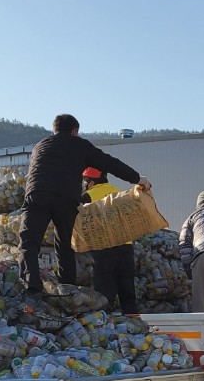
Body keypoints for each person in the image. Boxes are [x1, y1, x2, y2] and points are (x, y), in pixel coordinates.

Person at [18, 114, 149, 293]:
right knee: (64, 244)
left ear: (54, 129)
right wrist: (138, 179)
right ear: (74, 131)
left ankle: (31, 287)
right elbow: (110, 163)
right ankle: (67, 288)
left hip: (37, 194)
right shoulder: (80, 144)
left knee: (29, 242)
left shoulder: (40, 146)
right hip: (65, 197)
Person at [81, 167, 138, 314]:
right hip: (126, 247)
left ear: (91, 181)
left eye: (85, 181)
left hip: (105, 249)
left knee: (105, 294)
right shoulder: (120, 192)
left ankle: (105, 327)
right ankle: (135, 324)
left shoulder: (89, 196)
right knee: (128, 293)